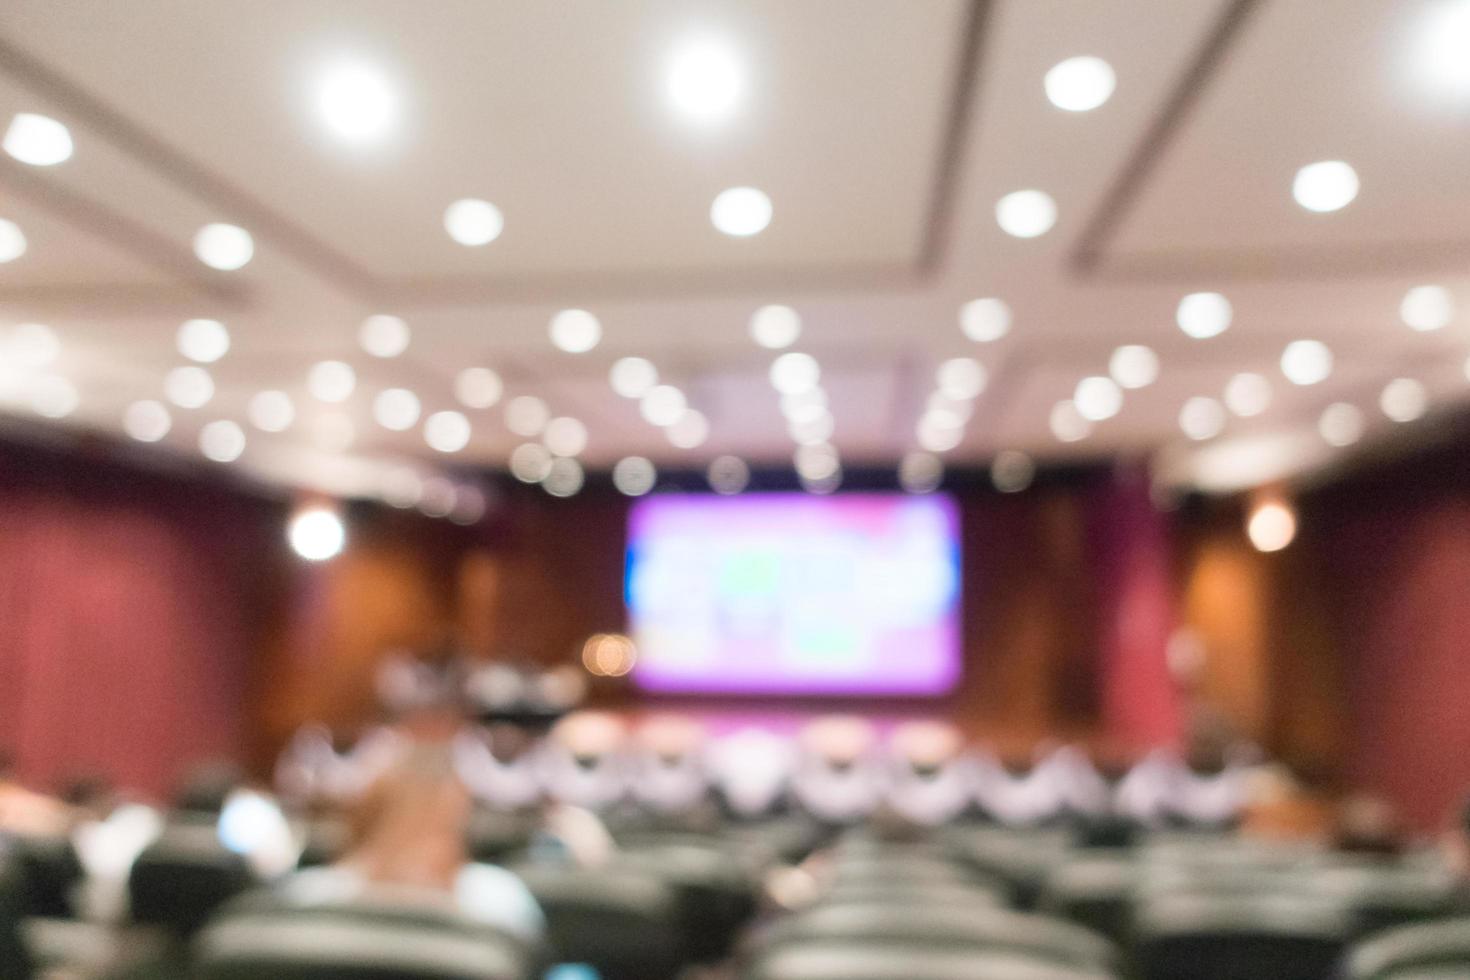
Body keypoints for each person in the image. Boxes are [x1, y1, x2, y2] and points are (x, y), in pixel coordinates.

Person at [279, 750, 544, 942]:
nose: (420, 849)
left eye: (439, 830)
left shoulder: (501, 902)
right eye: (406, 826)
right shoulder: (302, 902)